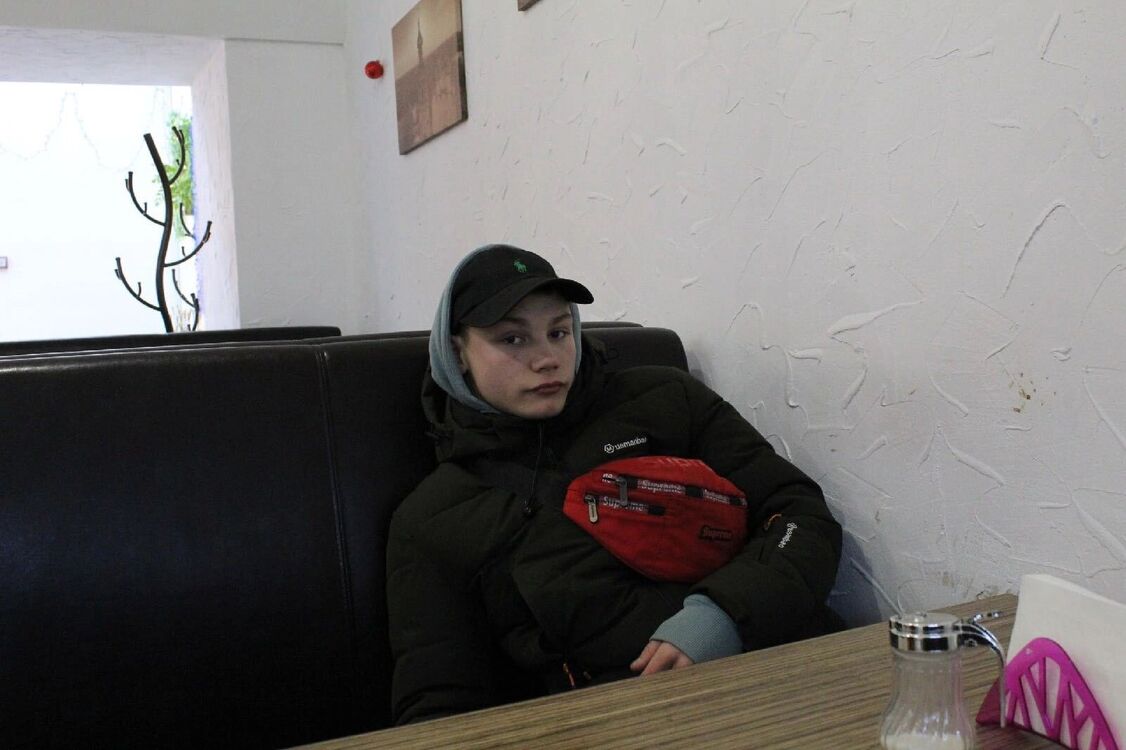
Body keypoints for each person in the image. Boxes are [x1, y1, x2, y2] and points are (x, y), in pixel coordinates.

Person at [387, 243, 842, 724]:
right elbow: (438, 709)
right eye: (513, 339)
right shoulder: (431, 519)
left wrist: (722, 617)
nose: (547, 358)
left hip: (785, 659)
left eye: (559, 332)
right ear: (457, 352)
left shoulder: (668, 400)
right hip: (627, 719)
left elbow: (798, 514)